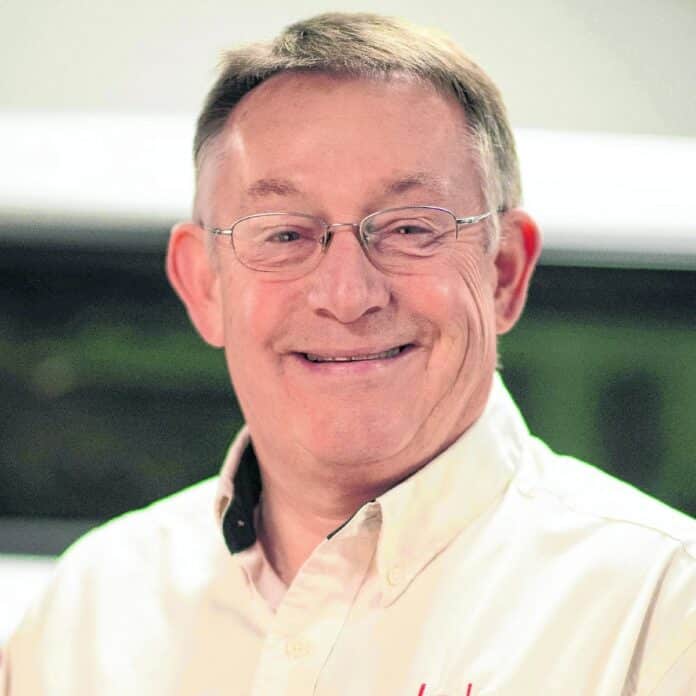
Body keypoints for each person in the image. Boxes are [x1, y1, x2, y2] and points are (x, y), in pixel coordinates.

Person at [2, 12, 695, 695]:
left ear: (505, 272)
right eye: (284, 234)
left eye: (410, 228)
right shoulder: (88, 611)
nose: (347, 294)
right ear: (204, 286)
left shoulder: (660, 611)